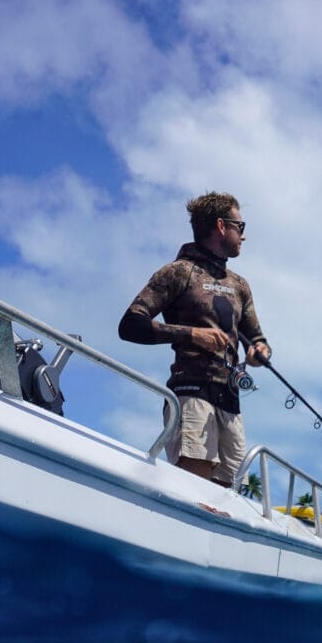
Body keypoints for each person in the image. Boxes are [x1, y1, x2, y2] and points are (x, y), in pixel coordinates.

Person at [119, 191, 271, 487]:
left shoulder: (240, 285)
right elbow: (131, 325)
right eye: (240, 227)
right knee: (195, 492)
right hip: (191, 395)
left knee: (227, 501)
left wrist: (259, 351)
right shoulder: (179, 272)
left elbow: (257, 339)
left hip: (230, 401)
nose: (243, 235)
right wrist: (191, 334)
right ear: (220, 226)